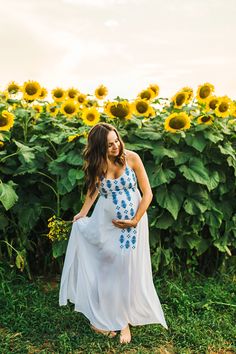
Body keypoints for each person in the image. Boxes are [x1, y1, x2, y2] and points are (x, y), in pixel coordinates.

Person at [59, 122, 168, 344]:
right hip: (105, 224)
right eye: (109, 145)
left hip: (133, 224)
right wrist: (82, 213)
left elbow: (147, 194)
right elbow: (93, 190)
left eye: (116, 140)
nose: (115, 146)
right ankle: (109, 316)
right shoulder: (98, 165)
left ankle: (122, 320)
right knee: (108, 267)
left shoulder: (132, 158)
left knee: (125, 268)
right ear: (99, 147)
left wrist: (135, 220)